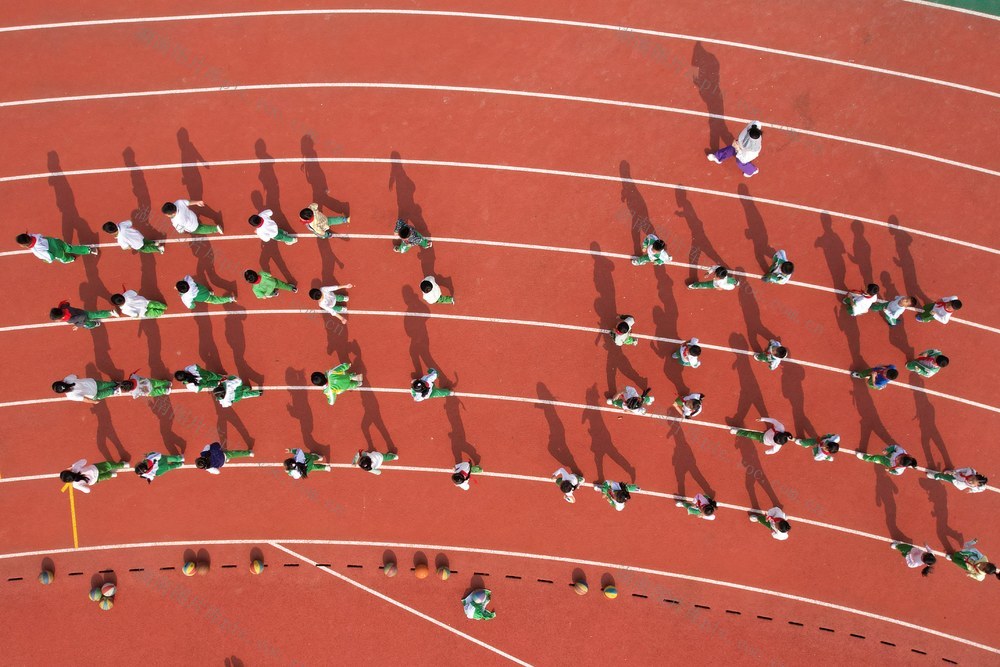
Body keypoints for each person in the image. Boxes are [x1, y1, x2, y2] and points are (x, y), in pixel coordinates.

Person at [16, 232, 97, 263]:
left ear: (24, 245)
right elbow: (41, 235)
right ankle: (89, 249)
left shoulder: (36, 251)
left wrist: (47, 261)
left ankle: (71, 258)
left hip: (56, 251)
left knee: (64, 259)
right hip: (56, 242)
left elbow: (50, 257)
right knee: (69, 248)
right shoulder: (32, 235)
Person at [59, 458, 128, 493]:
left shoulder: (75, 485)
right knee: (109, 465)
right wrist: (72, 466)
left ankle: (112, 475)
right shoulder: (75, 467)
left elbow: (87, 490)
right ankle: (123, 465)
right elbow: (84, 460)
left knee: (105, 476)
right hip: (96, 469)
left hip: (94, 480)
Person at [49, 300, 119, 330]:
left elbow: (82, 317)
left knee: (89, 322)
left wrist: (77, 325)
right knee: (92, 317)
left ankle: (110, 313)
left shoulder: (70, 319)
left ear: (60, 317)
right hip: (80, 312)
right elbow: (67, 304)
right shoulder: (62, 306)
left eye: (56, 320)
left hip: (84, 316)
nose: (56, 321)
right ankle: (95, 323)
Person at [52, 374, 120, 404]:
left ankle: (114, 390)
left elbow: (85, 399)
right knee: (106, 384)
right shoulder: (68, 379)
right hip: (93, 383)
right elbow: (76, 375)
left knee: (106, 393)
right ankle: (115, 383)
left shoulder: (70, 396)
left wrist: (94, 402)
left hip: (93, 394)